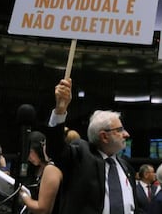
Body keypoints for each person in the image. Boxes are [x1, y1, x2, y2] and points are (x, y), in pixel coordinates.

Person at [45, 77, 138, 214]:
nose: (126, 134)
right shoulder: (81, 156)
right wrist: (60, 110)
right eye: (119, 130)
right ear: (104, 136)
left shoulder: (126, 167)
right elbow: (55, 148)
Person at [20, 131, 62, 214]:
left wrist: (23, 196)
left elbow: (43, 209)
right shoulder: (34, 169)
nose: (28, 157)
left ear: (39, 149)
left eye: (31, 152)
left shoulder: (51, 169)